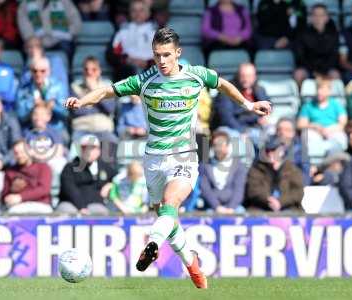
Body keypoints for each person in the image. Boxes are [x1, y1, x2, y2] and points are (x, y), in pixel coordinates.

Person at [64, 27, 271, 289]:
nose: (161, 61)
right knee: (166, 216)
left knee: (170, 202)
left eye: (166, 55)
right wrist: (81, 102)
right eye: (157, 55)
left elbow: (224, 84)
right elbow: (107, 91)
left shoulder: (196, 76)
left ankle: (152, 244)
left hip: (183, 156)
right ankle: (192, 265)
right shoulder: (145, 80)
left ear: (178, 53)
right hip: (154, 160)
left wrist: (249, 105)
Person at [57, 134, 117, 214]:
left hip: (96, 205)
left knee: (101, 212)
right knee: (67, 211)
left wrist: (111, 184)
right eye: (85, 148)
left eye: (92, 148)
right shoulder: (70, 167)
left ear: (99, 151)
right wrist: (81, 207)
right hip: (72, 204)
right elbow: (69, 189)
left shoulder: (104, 167)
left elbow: (119, 177)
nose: (88, 151)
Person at [245, 135, 304, 212]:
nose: (270, 153)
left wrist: (280, 202)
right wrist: (269, 200)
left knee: (291, 215)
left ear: (282, 150)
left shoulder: (292, 169)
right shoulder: (256, 169)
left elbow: (298, 192)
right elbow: (253, 191)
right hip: (262, 206)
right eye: (267, 150)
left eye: (273, 150)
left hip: (288, 207)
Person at [16, 56, 68, 133]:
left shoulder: (59, 86)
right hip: (31, 130)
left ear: (49, 71)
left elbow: (65, 113)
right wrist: (33, 105)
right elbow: (20, 115)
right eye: (35, 71)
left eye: (42, 71)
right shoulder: (24, 89)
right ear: (30, 71)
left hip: (56, 128)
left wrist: (53, 106)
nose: (38, 74)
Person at [200, 131, 247, 214]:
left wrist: (231, 208)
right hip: (212, 207)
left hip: (234, 207)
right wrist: (217, 207)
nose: (218, 148)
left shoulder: (239, 165)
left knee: (241, 213)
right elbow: (205, 190)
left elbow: (239, 190)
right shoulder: (204, 165)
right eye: (215, 145)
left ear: (228, 145)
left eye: (221, 144)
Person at [1, 139, 53, 214]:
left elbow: (44, 189)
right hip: (17, 206)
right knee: (12, 213)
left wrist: (21, 197)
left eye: (22, 152)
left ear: (29, 151)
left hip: (40, 204)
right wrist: (11, 191)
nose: (19, 155)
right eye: (16, 153)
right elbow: (4, 196)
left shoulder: (43, 167)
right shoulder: (10, 171)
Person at [297, 77, 348, 153]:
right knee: (307, 136)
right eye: (318, 89)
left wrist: (330, 129)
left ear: (329, 91)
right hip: (314, 132)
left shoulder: (336, 104)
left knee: (340, 139)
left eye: (322, 89)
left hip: (333, 131)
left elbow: (343, 122)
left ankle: (334, 163)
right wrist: (314, 126)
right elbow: (300, 125)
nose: (319, 92)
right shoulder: (308, 105)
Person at [294, 3, 340, 86]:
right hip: (308, 69)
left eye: (321, 15)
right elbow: (300, 56)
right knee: (298, 74)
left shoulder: (334, 35)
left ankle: (330, 98)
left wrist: (323, 72)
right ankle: (301, 98)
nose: (318, 18)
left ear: (327, 18)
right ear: (311, 18)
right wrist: (315, 72)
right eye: (315, 15)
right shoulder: (302, 34)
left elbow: (334, 56)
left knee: (335, 75)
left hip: (327, 69)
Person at [109, 0, 156, 80]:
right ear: (129, 13)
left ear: (148, 13)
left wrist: (148, 63)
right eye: (134, 10)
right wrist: (127, 60)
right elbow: (112, 54)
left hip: (150, 70)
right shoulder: (122, 31)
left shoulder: (157, 31)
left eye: (141, 10)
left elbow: (164, 53)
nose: (138, 14)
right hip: (127, 71)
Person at [17, 0, 82, 58]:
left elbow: (76, 23)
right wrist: (31, 37)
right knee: (30, 48)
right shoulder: (26, 3)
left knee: (67, 47)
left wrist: (63, 33)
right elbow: (24, 24)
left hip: (60, 40)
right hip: (37, 41)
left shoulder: (65, 1)